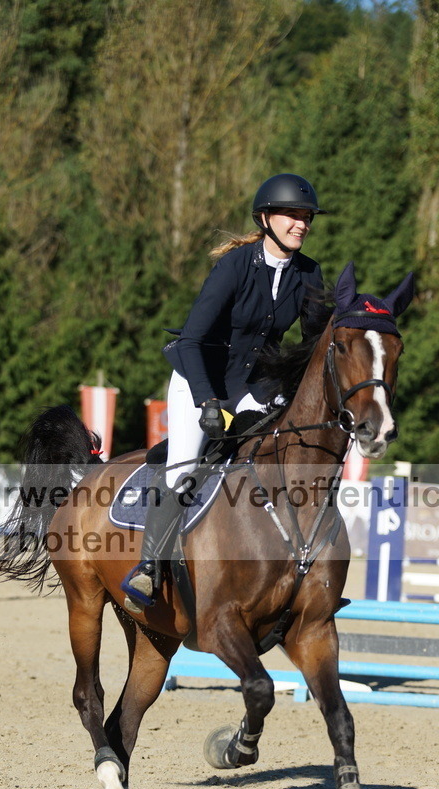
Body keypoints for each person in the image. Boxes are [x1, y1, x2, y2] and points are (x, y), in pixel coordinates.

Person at [121, 173, 326, 613]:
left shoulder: (309, 274)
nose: (301, 224)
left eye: (306, 217)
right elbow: (193, 340)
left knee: (280, 456)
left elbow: (312, 349)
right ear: (266, 218)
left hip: (255, 387)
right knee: (184, 468)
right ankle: (149, 569)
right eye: (293, 215)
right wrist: (207, 402)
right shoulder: (235, 266)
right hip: (202, 379)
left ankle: (298, 572)